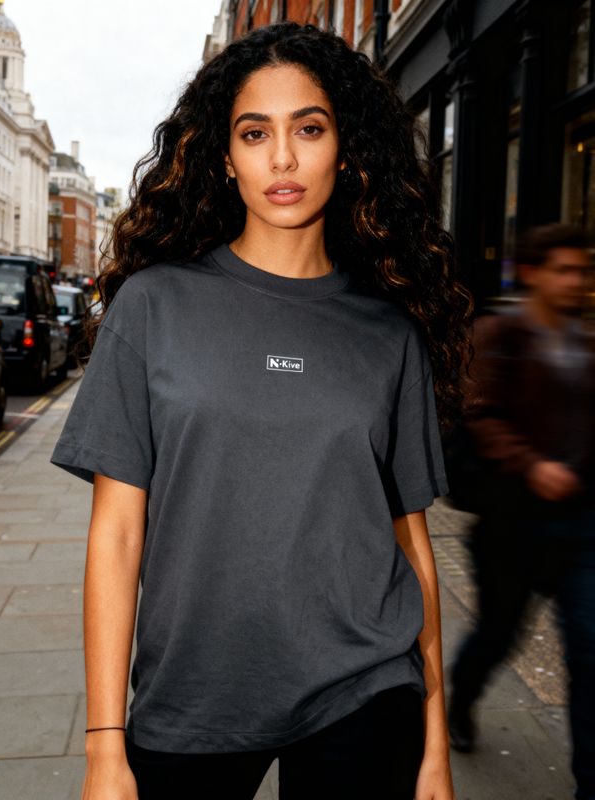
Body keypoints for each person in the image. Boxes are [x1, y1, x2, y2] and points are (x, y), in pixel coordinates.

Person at [51, 21, 471, 800]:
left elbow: (409, 543)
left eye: (308, 129)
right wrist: (105, 744)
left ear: (344, 152)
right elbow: (115, 534)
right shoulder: (153, 306)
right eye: (255, 133)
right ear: (225, 155)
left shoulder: (388, 331)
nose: (282, 158)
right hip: (194, 694)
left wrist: (435, 746)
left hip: (364, 685)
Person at [448, 224, 595, 800]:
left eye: (583, 272)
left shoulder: (586, 343)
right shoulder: (500, 333)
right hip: (513, 523)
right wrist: (532, 465)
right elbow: (478, 415)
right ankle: (462, 699)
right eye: (565, 270)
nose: (577, 282)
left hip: (582, 524)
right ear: (532, 273)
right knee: (498, 633)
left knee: (589, 649)